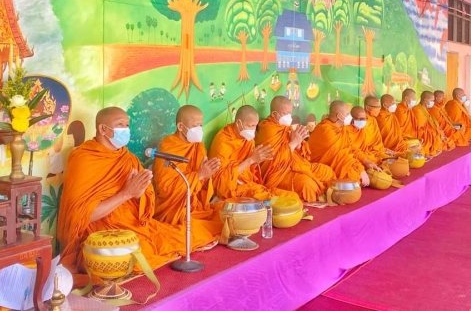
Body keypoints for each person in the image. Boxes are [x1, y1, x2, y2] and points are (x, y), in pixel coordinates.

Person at [57, 107, 200, 286]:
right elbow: (81, 216)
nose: (125, 129)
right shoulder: (84, 158)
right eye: (120, 125)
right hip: (101, 232)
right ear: (102, 129)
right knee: (134, 255)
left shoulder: (127, 158)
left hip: (132, 224)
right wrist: (127, 193)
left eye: (127, 125)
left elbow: (144, 200)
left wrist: (140, 195)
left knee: (182, 238)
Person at [153, 105, 223, 239]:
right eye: (195, 125)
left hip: (196, 205)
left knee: (226, 215)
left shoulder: (198, 145)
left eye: (201, 125)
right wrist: (200, 175)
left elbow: (203, 184)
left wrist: (207, 173)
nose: (199, 129)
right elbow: (165, 189)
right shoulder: (168, 147)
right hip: (173, 208)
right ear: (180, 126)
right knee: (191, 232)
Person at [209, 105, 297, 201]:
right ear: (238, 123)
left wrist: (257, 161)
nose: (253, 130)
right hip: (232, 189)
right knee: (272, 200)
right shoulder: (223, 141)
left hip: (248, 185)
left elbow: (250, 170)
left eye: (255, 126)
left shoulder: (248, 139)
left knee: (293, 197)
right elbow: (221, 182)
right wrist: (251, 160)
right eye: (250, 126)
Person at [256, 96, 335, 202]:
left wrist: (298, 145)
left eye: (290, 113)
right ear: (274, 114)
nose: (289, 116)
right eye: (285, 113)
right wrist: (293, 143)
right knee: (307, 185)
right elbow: (273, 164)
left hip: (298, 166)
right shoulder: (268, 130)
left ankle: (323, 194)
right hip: (281, 174)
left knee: (327, 172)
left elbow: (302, 155)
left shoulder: (284, 126)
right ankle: (316, 197)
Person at [309, 101, 381, 187]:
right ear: (339, 116)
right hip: (324, 165)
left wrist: (366, 161)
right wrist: (360, 169)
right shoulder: (326, 130)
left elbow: (351, 147)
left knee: (363, 169)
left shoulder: (342, 128)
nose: (351, 117)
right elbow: (340, 156)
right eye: (347, 114)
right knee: (352, 177)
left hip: (340, 161)